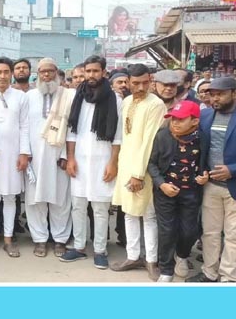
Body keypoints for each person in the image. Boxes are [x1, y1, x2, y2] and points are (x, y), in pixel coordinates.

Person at [60, 55, 122, 270]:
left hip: (103, 160)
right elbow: (71, 131)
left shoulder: (115, 99)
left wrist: (113, 163)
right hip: (79, 161)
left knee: (100, 207)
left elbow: (118, 136)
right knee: (77, 205)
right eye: (88, 71)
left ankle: (100, 250)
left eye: (96, 71)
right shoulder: (79, 96)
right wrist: (70, 158)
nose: (91, 75)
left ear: (104, 72)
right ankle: (78, 247)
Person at [110, 64, 167, 281]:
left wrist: (139, 174)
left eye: (145, 82)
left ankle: (151, 260)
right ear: (129, 82)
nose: (141, 87)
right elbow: (125, 136)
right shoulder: (126, 101)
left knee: (148, 214)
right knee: (130, 213)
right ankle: (132, 256)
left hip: (144, 168)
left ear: (151, 80)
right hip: (126, 164)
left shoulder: (156, 104)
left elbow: (149, 142)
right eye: (136, 83)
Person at [187, 77, 236, 283]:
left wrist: (232, 170)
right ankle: (209, 272)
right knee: (210, 233)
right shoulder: (205, 116)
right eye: (212, 94)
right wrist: (203, 170)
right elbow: (200, 150)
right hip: (211, 186)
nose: (215, 98)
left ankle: (229, 276)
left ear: (234, 93)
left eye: (220, 94)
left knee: (233, 237)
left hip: (233, 186)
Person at [148, 101, 203, 282]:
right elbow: (152, 163)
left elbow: (205, 164)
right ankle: (166, 269)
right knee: (167, 230)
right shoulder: (163, 135)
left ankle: (182, 255)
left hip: (191, 193)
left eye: (181, 120)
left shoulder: (202, 138)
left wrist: (205, 175)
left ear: (194, 122)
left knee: (189, 231)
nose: (175, 123)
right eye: (173, 119)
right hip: (165, 191)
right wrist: (161, 184)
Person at [25, 58, 75, 258]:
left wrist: (65, 155)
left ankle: (60, 240)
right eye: (42, 72)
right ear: (37, 74)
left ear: (57, 72)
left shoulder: (68, 96)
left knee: (60, 199)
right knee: (34, 200)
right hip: (34, 157)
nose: (46, 75)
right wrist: (25, 152)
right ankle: (39, 240)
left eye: (50, 71)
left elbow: (72, 128)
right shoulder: (29, 97)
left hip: (58, 156)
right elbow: (24, 127)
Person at [0, 58, 30, 258]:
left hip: (13, 154)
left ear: (11, 74)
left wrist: (24, 153)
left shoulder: (20, 97)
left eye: (6, 72)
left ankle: (9, 239)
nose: (2, 76)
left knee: (11, 197)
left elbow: (25, 126)